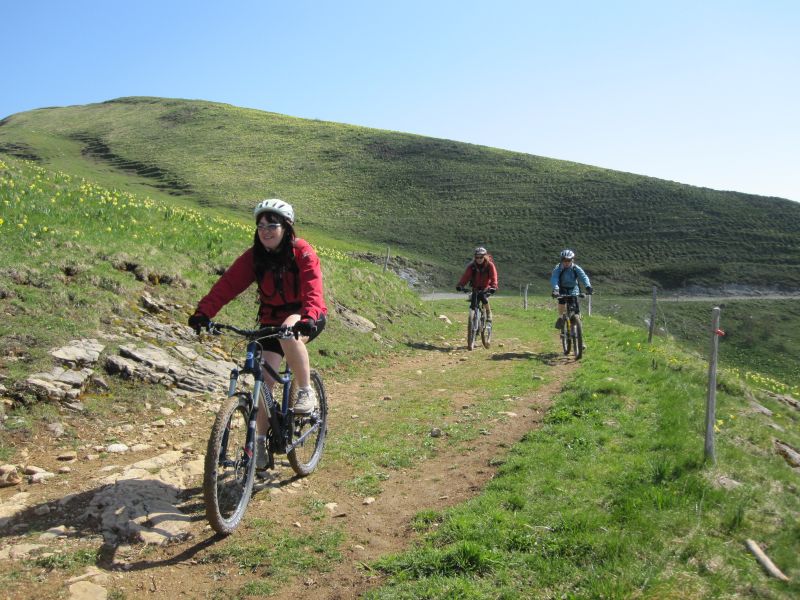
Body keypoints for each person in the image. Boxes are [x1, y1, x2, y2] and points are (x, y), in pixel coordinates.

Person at [188, 198, 327, 425]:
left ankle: (305, 391)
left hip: (305, 314)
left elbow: (313, 286)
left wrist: (310, 317)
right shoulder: (255, 257)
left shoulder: (301, 251)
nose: (265, 231)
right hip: (270, 320)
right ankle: (259, 446)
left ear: (286, 227)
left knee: (287, 331)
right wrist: (203, 313)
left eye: (272, 225)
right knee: (263, 384)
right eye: (261, 226)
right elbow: (227, 285)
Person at [550, 249, 592, 328]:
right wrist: (556, 289)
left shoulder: (575, 268)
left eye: (568, 260)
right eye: (564, 260)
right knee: (561, 301)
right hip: (561, 289)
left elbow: (584, 277)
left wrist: (588, 286)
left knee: (575, 306)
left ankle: (577, 323)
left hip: (573, 289)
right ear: (561, 260)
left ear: (572, 260)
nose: (566, 262)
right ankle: (561, 317)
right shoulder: (558, 268)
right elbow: (554, 278)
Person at [455, 247, 498, 323]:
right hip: (475, 287)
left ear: (485, 256)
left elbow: (493, 276)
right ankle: (473, 321)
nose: (479, 259)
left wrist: (493, 286)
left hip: (486, 287)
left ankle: (488, 313)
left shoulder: (490, 265)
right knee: (473, 302)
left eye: (481, 257)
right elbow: (466, 276)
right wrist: (460, 285)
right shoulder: (472, 266)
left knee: (483, 297)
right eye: (477, 257)